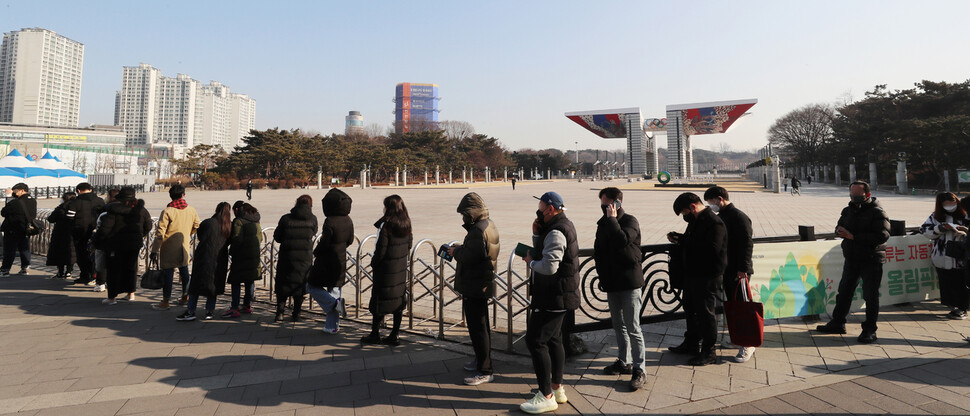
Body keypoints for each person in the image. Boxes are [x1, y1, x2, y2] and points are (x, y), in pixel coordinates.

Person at [519, 191, 579, 414]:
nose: (539, 212)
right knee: (554, 340)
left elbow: (549, 266)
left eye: (541, 209)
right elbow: (548, 251)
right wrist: (536, 235)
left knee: (536, 341)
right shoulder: (561, 225)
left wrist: (530, 261)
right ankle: (557, 388)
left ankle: (546, 396)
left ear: (551, 209)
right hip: (560, 294)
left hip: (553, 295)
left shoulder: (556, 231)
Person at [816, 181, 890, 343]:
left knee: (870, 295)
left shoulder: (877, 212)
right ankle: (838, 322)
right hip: (852, 258)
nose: (854, 198)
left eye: (858, 196)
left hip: (871, 259)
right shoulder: (847, 210)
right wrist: (839, 231)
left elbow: (882, 236)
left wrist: (853, 236)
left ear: (867, 195)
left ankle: (870, 329)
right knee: (844, 292)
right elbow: (840, 225)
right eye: (852, 195)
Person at [593, 187, 646, 390]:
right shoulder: (603, 223)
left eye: (606, 204)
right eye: (602, 204)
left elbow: (622, 240)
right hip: (612, 282)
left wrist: (613, 220)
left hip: (629, 282)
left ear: (616, 203)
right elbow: (600, 251)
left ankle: (640, 369)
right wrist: (602, 274)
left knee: (633, 327)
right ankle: (623, 361)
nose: (603, 208)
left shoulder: (630, 221)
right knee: (618, 325)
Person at [666, 192, 727, 366]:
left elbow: (711, 250)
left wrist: (686, 242)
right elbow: (694, 241)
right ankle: (691, 343)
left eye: (685, 212)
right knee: (690, 310)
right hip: (692, 275)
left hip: (707, 276)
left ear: (693, 207)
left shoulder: (714, 222)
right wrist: (680, 237)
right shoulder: (696, 220)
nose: (686, 216)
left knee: (706, 314)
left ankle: (709, 352)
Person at [448, 192, 500, 386]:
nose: (463, 217)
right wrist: (464, 247)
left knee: (478, 328)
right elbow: (479, 251)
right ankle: (481, 360)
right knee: (481, 326)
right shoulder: (488, 224)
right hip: (481, 282)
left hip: (475, 284)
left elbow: (472, 257)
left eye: (465, 213)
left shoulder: (478, 230)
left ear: (472, 212)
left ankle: (485, 370)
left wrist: (456, 251)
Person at [704, 186, 756, 363]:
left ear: (719, 199)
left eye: (710, 202)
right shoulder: (722, 216)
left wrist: (744, 269)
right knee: (733, 308)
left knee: (743, 307)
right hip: (727, 269)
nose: (710, 205)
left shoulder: (739, 216)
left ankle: (748, 344)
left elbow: (747, 244)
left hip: (738, 271)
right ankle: (738, 339)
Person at [362, 195, 412, 346]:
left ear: (389, 208)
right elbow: (409, 244)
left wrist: (374, 264)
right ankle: (394, 334)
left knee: (379, 301)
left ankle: (375, 334)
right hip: (400, 268)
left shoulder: (387, 225)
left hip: (385, 270)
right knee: (398, 300)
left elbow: (380, 250)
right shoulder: (406, 223)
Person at [92, 187, 152, 304]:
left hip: (115, 245)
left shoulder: (113, 211)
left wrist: (97, 243)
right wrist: (139, 235)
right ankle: (131, 294)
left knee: (113, 270)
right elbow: (148, 226)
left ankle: (112, 297)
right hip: (134, 244)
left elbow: (104, 229)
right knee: (131, 268)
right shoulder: (141, 210)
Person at [307, 188, 354, 334]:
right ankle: (332, 326)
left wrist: (316, 251)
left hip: (326, 261)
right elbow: (350, 240)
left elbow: (325, 242)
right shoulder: (348, 219)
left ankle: (334, 304)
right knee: (334, 290)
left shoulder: (330, 221)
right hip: (340, 259)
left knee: (311, 286)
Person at [177, 202, 232, 321]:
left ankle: (191, 310)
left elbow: (200, 236)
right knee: (213, 285)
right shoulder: (228, 226)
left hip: (204, 256)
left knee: (195, 285)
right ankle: (209, 311)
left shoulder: (208, 222)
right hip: (220, 259)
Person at [149, 184, 201, 310]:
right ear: (183, 195)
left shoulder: (167, 211)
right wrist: (188, 233)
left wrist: (154, 250)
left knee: (168, 274)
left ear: (171, 196)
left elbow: (160, 233)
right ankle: (185, 296)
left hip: (168, 247)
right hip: (184, 246)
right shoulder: (191, 210)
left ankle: (166, 301)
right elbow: (197, 225)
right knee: (184, 272)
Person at [919, 193, 968, 320]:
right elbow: (924, 230)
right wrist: (940, 228)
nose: (950, 206)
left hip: (961, 255)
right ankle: (952, 306)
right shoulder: (936, 216)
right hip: (941, 255)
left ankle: (962, 308)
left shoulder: (965, 214)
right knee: (946, 282)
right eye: (946, 204)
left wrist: (963, 231)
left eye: (952, 202)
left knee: (961, 282)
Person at [273, 195, 318, 322]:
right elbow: (314, 232)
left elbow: (277, 236)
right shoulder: (313, 219)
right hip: (304, 258)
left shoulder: (285, 219)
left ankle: (279, 313)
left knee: (283, 284)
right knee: (300, 285)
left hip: (287, 256)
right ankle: (296, 313)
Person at [223, 202, 262, 318]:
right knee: (249, 280)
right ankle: (247, 305)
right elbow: (259, 238)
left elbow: (237, 239)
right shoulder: (256, 220)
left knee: (236, 281)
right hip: (254, 256)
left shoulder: (238, 221)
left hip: (241, 256)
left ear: (237, 209)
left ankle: (234, 307)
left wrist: (232, 251)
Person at [67, 182, 105, 285]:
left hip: (80, 233)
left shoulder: (75, 202)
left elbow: (69, 218)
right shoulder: (100, 201)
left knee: (81, 255)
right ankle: (94, 276)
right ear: (91, 190)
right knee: (94, 255)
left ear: (78, 191)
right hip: (96, 232)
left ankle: (85, 275)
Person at [0, 183, 37, 277]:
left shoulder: (14, 202)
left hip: (12, 229)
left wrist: (10, 199)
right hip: (26, 229)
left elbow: (3, 212)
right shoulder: (33, 201)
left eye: (15, 191)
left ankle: (5, 270)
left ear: (22, 190)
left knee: (9, 250)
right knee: (25, 249)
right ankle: (25, 269)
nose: (14, 193)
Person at [92, 188, 120, 292]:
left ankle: (101, 283)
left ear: (109, 196)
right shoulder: (127, 208)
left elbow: (100, 227)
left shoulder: (105, 211)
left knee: (101, 262)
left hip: (105, 241)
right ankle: (115, 283)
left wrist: (96, 241)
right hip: (120, 241)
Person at [46, 192, 78, 279]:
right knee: (71, 252)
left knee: (59, 252)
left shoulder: (61, 208)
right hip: (72, 233)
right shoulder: (76, 207)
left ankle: (60, 272)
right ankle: (69, 271)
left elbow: (51, 219)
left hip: (59, 233)